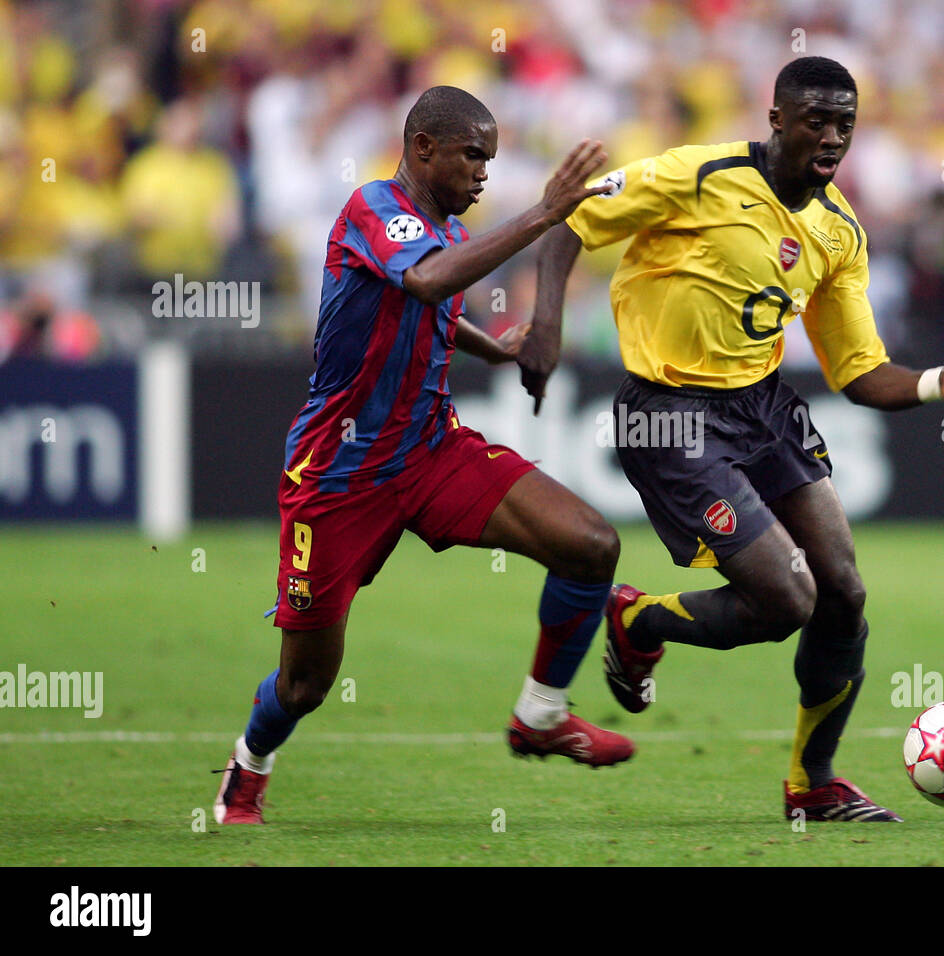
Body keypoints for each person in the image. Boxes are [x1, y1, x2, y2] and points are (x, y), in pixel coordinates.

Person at [520, 57, 944, 823]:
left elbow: (858, 368)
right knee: (787, 598)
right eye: (816, 119)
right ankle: (637, 618)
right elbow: (570, 220)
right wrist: (545, 325)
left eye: (845, 122)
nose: (832, 136)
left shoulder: (838, 232)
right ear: (776, 119)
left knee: (843, 592)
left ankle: (813, 784)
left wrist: (932, 382)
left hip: (762, 407)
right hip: (667, 411)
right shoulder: (697, 175)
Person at [214, 87, 634, 825]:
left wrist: (495, 352)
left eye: (491, 160)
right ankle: (248, 766)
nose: (482, 173)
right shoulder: (372, 207)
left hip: (431, 450)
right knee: (307, 685)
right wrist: (545, 211)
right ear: (422, 149)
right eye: (473, 155)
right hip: (338, 477)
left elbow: (436, 299)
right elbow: (428, 280)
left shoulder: (435, 233)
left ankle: (540, 716)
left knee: (591, 545)